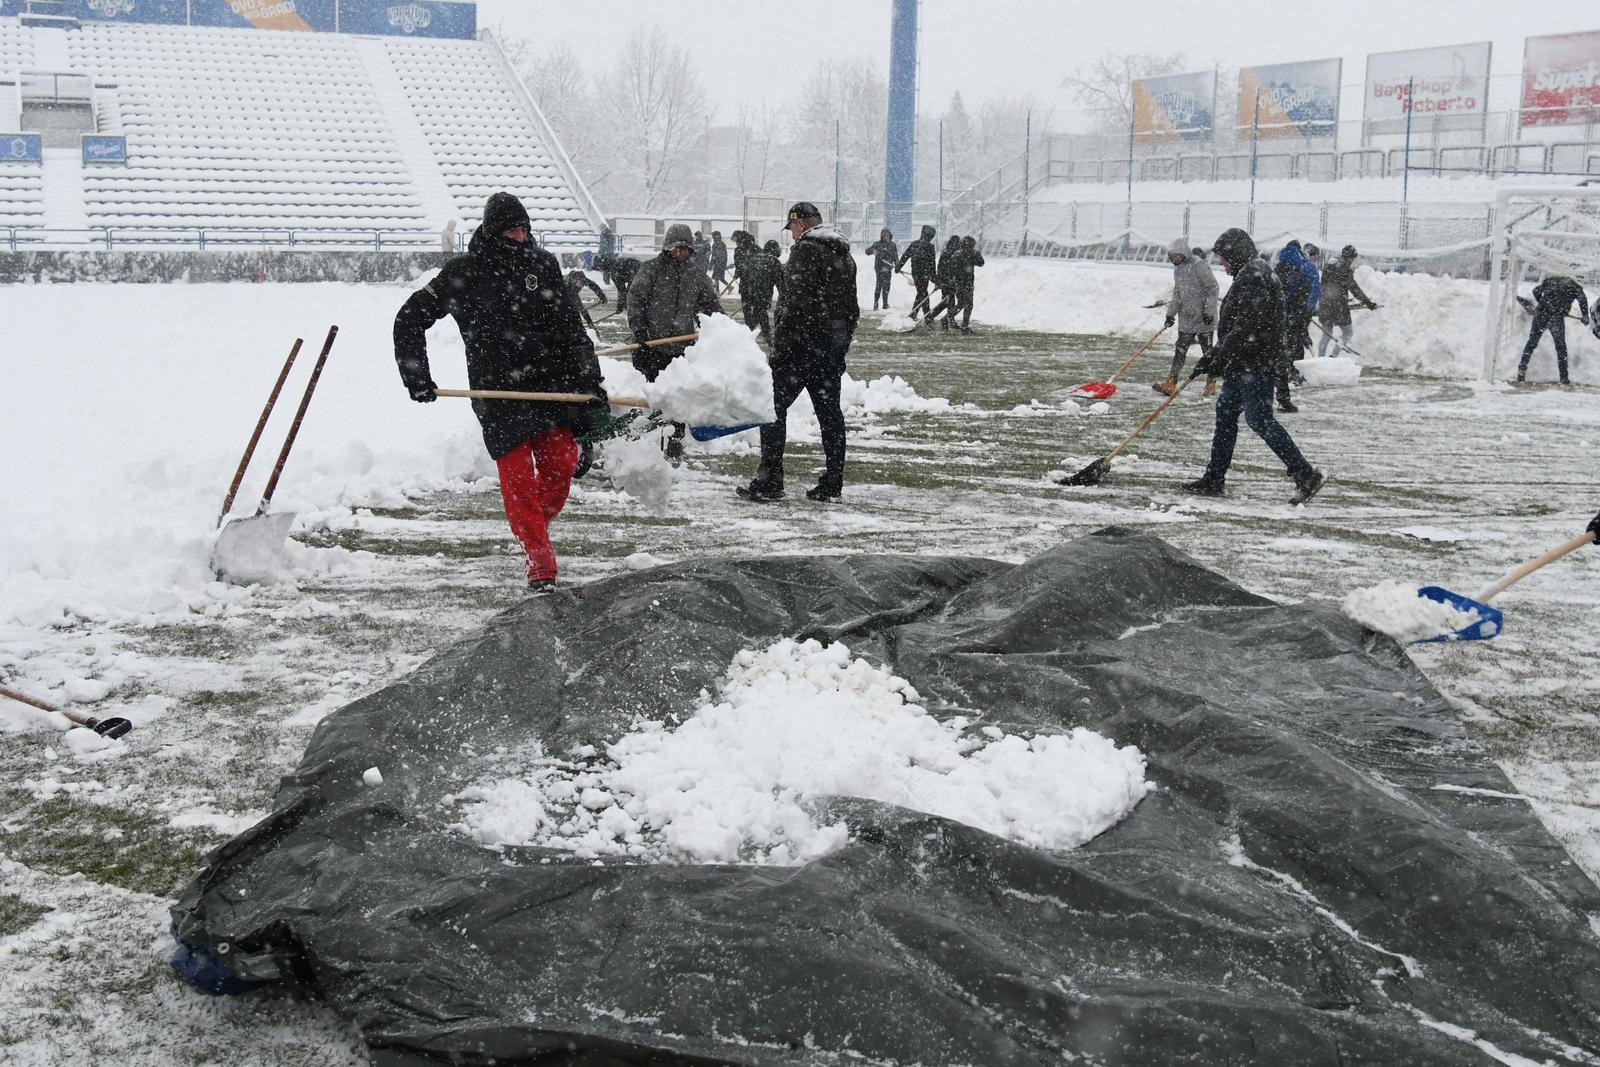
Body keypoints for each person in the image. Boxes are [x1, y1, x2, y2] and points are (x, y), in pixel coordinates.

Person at [394, 192, 607, 591]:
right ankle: (540, 563)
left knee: (561, 465)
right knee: (518, 481)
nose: (521, 236)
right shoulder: (466, 272)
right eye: (513, 229)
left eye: (525, 228)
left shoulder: (543, 265)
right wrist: (417, 376)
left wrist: (590, 384)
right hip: (498, 396)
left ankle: (531, 527)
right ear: (494, 231)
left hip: (549, 388)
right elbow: (409, 318)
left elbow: (571, 332)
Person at [1181, 228, 1325, 506]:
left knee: (1259, 419)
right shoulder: (1252, 273)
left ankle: (1306, 474)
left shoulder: (1254, 277)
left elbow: (1247, 326)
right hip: (1242, 363)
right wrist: (1220, 358)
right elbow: (1242, 327)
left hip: (1256, 364)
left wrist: (1216, 356)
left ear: (1236, 253)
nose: (1222, 264)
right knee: (1225, 416)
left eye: (1224, 258)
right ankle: (1214, 478)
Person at [739, 202, 858, 503]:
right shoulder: (845, 255)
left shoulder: (806, 250)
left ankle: (770, 480)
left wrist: (781, 348)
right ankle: (833, 482)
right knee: (830, 416)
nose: (791, 235)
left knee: (772, 410)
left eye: (792, 228)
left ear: (801, 224)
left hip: (800, 350)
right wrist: (838, 347)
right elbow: (851, 310)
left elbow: (795, 305)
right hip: (829, 351)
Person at [627, 223, 723, 458]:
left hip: (680, 348)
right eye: (676, 248)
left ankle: (674, 441)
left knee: (678, 399)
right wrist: (640, 331)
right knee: (651, 398)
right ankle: (641, 444)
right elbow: (635, 299)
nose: (680, 253)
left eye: (685, 249)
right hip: (650, 345)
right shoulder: (651, 269)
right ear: (667, 248)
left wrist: (721, 326)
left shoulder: (696, 274)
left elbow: (709, 304)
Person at [1154, 238, 1220, 398]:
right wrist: (1171, 314)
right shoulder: (1178, 271)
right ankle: (1171, 382)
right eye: (1172, 257)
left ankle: (1211, 383)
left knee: (1208, 353)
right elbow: (1177, 294)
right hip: (1187, 319)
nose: (1174, 259)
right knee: (1180, 351)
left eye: (1176, 256)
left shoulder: (1199, 266)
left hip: (1204, 319)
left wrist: (1209, 312)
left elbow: (1212, 288)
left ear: (1183, 253)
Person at [1272, 240, 1318, 413]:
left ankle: (1256, 398)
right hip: (1290, 323)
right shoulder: (1300, 278)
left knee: (1267, 362)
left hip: (1272, 324)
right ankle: (1284, 398)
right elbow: (1300, 309)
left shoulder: (1273, 274)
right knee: (1285, 358)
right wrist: (1303, 330)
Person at [1519, 274, 1589, 384]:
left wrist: (1543, 303)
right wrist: (1585, 315)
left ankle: (1522, 369)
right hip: (1556, 317)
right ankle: (1564, 378)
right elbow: (1582, 300)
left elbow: (1536, 291)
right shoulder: (1574, 285)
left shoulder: (1553, 279)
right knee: (1561, 348)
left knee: (1532, 342)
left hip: (1541, 314)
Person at [1316, 245, 1377, 357]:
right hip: (1339, 306)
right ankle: (1334, 355)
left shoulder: (1328, 265)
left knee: (1326, 334)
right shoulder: (1344, 268)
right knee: (1348, 332)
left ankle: (1320, 359)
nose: (1353, 261)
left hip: (1325, 303)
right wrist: (1367, 302)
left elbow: (1325, 284)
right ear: (1349, 257)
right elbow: (1353, 287)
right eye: (1353, 258)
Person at [742, 238, 783, 344]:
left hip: (752, 292)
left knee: (759, 313)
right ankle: (765, 337)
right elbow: (780, 282)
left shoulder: (754, 258)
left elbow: (745, 277)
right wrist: (784, 294)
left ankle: (754, 334)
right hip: (763, 294)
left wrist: (746, 293)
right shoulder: (773, 261)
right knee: (761, 313)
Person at [897, 224, 938, 321]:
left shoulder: (914, 244)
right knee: (922, 293)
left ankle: (916, 314)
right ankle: (924, 315)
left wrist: (899, 266)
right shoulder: (929, 247)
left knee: (922, 293)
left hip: (917, 274)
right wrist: (933, 276)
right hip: (925, 274)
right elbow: (932, 263)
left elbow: (905, 256)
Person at [953, 235, 985, 332]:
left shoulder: (956, 254)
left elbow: (980, 263)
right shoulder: (968, 254)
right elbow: (981, 263)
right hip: (966, 283)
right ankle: (964, 325)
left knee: (961, 303)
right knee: (968, 304)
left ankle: (948, 318)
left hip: (959, 283)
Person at [934, 236, 964, 330]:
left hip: (947, 280)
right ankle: (933, 316)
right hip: (949, 281)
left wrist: (939, 280)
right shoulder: (952, 254)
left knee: (949, 302)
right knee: (948, 302)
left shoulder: (946, 252)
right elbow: (947, 268)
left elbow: (940, 268)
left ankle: (949, 320)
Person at [866, 228, 898, 310]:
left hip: (887, 267)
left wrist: (897, 265)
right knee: (880, 286)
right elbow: (867, 251)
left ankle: (884, 304)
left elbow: (895, 257)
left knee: (885, 286)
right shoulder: (877, 244)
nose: (886, 237)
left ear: (890, 236)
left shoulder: (892, 245)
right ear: (882, 236)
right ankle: (877, 304)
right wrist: (873, 251)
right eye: (884, 236)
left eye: (888, 236)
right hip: (879, 268)